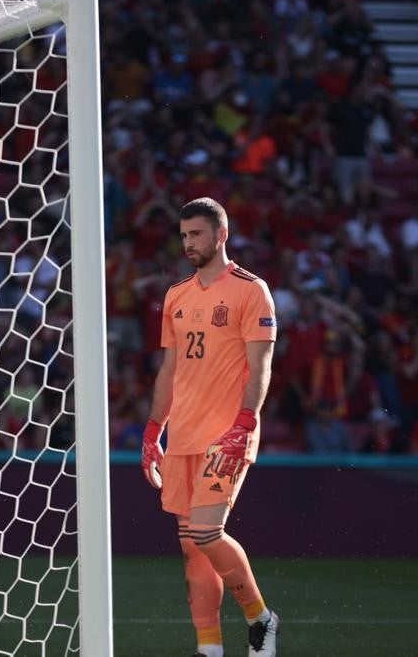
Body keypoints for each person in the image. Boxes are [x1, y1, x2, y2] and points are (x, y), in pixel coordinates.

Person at [141, 198, 280, 657]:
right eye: (183, 236)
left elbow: (262, 366)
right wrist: (152, 431)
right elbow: (168, 371)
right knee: (191, 549)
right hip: (182, 434)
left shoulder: (250, 290)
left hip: (227, 434)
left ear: (221, 235)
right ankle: (209, 647)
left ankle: (260, 617)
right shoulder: (177, 295)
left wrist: (245, 422)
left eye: (196, 234)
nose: (187, 243)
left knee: (205, 532)